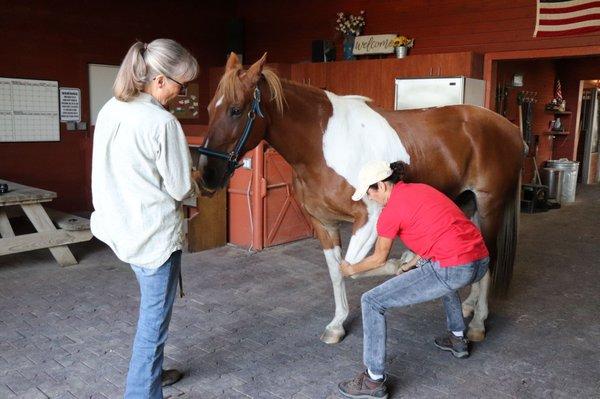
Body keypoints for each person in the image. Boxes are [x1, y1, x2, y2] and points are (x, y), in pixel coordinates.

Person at [90, 39, 199, 399]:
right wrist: (198, 180)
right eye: (182, 87)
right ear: (161, 81)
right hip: (153, 238)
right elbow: (181, 186)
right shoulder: (162, 122)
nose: (181, 95)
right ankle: (142, 391)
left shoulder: (110, 108)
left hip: (120, 227)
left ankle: (152, 373)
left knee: (152, 317)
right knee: (153, 325)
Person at [337, 160, 490, 399]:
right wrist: (411, 263)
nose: (371, 198)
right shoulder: (422, 190)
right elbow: (439, 227)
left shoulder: (390, 213)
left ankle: (373, 380)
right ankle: (458, 339)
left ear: (382, 185)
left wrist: (350, 269)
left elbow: (378, 258)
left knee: (371, 301)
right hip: (480, 261)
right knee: (437, 270)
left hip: (454, 267)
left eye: (370, 193)